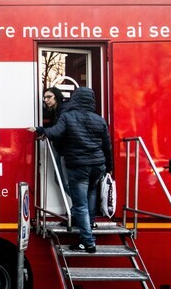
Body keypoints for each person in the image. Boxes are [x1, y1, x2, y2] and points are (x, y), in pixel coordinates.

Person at [29, 86, 112, 253]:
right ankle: (90, 224)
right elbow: (107, 146)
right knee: (91, 195)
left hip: (79, 165)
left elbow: (56, 133)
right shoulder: (99, 119)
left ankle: (88, 242)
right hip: (98, 165)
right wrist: (109, 166)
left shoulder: (67, 116)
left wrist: (40, 130)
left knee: (80, 204)